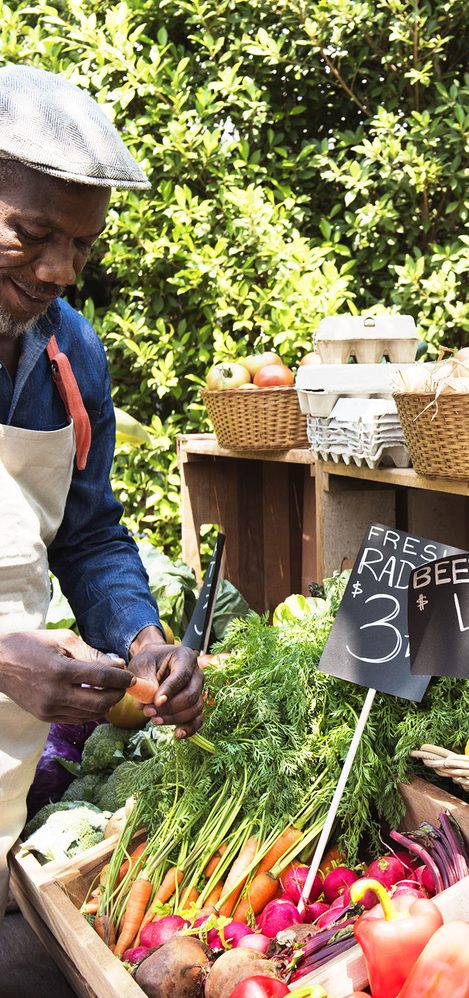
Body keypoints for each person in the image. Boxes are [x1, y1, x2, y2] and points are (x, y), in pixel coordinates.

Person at [0, 64, 204, 910]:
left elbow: (87, 535)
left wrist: (143, 641)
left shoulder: (68, 353)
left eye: (82, 244)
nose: (60, 270)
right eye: (31, 231)